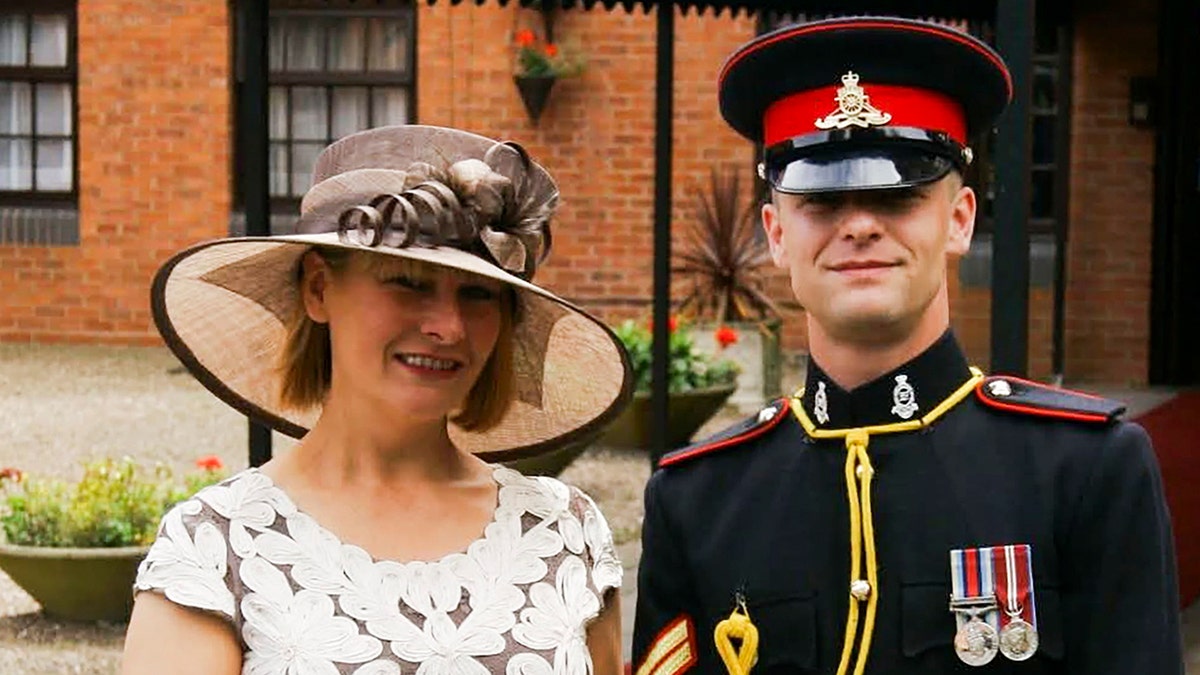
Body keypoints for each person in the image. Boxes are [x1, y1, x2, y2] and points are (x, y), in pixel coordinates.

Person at [632, 16, 1182, 675]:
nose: (860, 224)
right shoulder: (698, 499)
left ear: (958, 219)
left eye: (898, 196)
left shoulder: (1085, 472)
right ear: (776, 234)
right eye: (822, 201)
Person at [122, 125, 632, 675]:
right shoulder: (218, 551)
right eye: (408, 282)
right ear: (319, 289)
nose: (448, 326)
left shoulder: (563, 533)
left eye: (478, 293)